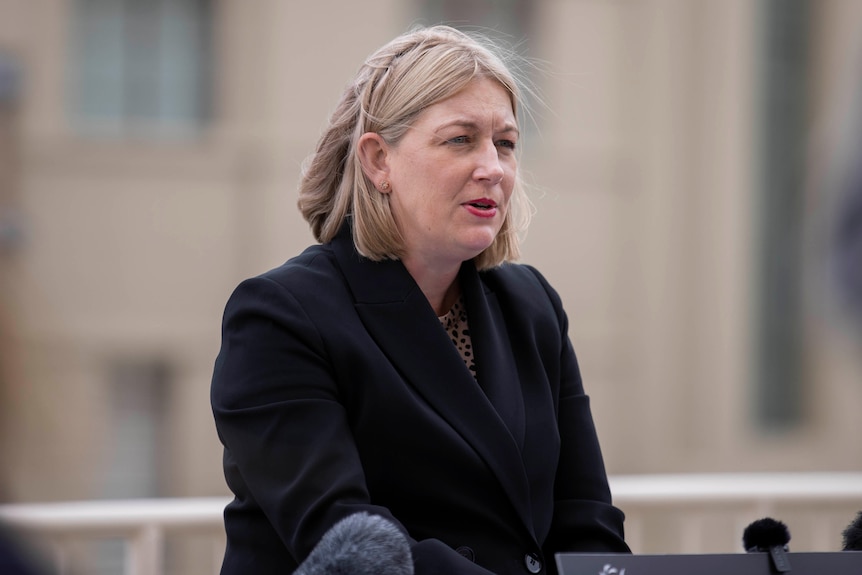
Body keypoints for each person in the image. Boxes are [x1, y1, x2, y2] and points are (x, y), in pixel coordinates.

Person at [211, 25, 630, 575]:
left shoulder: (532, 306)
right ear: (378, 160)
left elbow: (587, 521)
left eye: (505, 143)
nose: (493, 168)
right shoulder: (279, 316)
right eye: (461, 139)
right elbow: (345, 537)